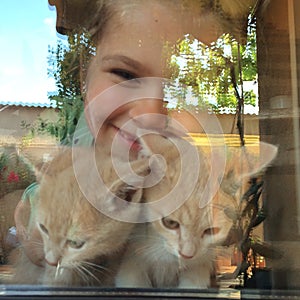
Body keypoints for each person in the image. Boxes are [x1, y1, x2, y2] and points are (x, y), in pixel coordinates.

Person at [15, 0, 243, 274]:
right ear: (82, 73)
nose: (149, 114)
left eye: (181, 91)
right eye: (125, 75)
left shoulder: (195, 183)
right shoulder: (72, 163)